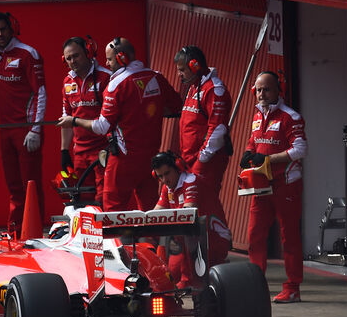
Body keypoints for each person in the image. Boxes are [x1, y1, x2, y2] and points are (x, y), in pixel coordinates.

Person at [57, 37, 181, 211]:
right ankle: (149, 239)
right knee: (149, 209)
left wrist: (75, 121)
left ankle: (115, 239)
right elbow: (176, 107)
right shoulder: (157, 77)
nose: (106, 63)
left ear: (122, 58)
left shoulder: (114, 83)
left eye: (109, 59)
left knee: (111, 208)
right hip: (150, 156)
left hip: (122, 156)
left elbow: (102, 126)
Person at [240, 71, 307, 303]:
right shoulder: (258, 113)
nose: (261, 94)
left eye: (266, 89)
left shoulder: (291, 117)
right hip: (261, 184)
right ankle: (255, 284)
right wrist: (249, 152)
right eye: (258, 90)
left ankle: (293, 288)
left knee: (289, 238)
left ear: (279, 90)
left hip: (286, 184)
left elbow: (300, 150)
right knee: (254, 235)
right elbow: (255, 139)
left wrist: (268, 159)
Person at [0, 11, 46, 235]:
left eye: (3, 29)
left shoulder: (28, 54)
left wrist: (36, 129)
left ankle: (34, 232)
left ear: (12, 28)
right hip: (3, 129)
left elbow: (41, 93)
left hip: (26, 129)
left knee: (30, 184)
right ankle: (15, 231)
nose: (0, 34)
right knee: (13, 185)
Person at [152, 151, 231, 289]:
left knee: (194, 282)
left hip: (213, 237)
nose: (164, 179)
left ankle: (213, 271)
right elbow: (155, 213)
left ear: (178, 168)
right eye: (160, 176)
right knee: (169, 274)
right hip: (190, 240)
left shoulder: (191, 181)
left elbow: (188, 214)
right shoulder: (167, 187)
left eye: (167, 173)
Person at [60, 36, 112, 204]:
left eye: (76, 55)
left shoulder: (106, 77)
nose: (72, 61)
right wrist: (64, 151)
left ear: (88, 52)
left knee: (103, 198)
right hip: (79, 152)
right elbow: (66, 120)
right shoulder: (67, 82)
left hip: (104, 150)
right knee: (81, 198)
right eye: (68, 58)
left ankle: (106, 231)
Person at [174, 45, 232, 193]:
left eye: (182, 70)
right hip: (189, 159)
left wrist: (202, 158)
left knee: (205, 202)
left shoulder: (214, 89)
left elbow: (218, 128)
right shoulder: (194, 86)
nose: (179, 74)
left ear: (195, 67)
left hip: (206, 161)